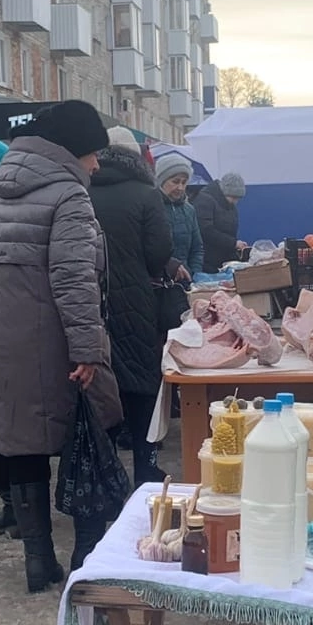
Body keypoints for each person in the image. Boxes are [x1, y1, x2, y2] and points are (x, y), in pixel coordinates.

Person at [0, 99, 122, 592]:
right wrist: (87, 351)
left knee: (22, 448)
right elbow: (75, 279)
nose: (97, 164)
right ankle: (85, 553)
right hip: (60, 344)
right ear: (71, 151)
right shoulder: (69, 198)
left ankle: (38, 560)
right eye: (92, 153)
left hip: (4, 342)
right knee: (88, 438)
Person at [93, 125, 174, 485]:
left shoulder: (82, 191)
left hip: (90, 303)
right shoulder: (146, 193)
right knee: (143, 388)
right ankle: (145, 470)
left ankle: (106, 472)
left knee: (100, 387)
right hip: (137, 302)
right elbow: (159, 253)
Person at [154, 152, 204, 283]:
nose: (180, 187)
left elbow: (197, 247)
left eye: (184, 182)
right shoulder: (152, 208)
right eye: (175, 182)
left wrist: (195, 274)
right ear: (161, 181)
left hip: (186, 280)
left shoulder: (189, 210)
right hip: (160, 281)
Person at [193, 171, 246, 272]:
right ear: (224, 192)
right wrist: (233, 243)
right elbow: (205, 230)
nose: (235, 202)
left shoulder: (229, 205)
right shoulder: (205, 200)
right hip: (207, 261)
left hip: (223, 259)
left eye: (238, 198)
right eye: (233, 197)